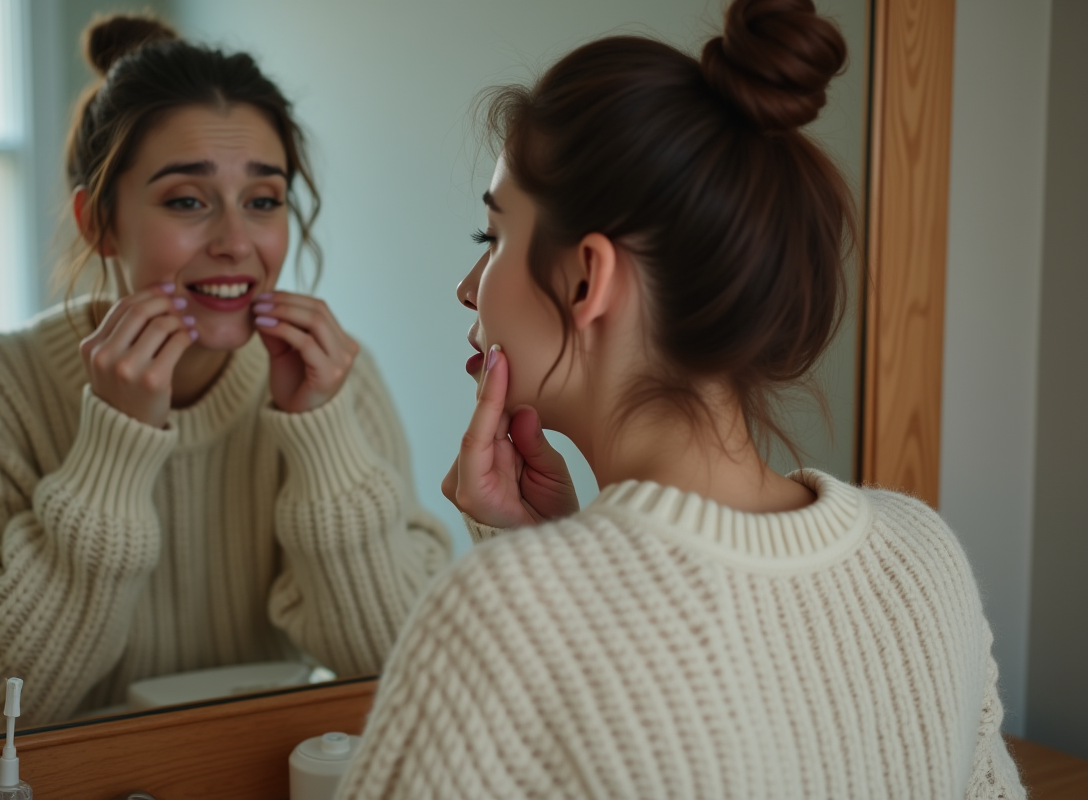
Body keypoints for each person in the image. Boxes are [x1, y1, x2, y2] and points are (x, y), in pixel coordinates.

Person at [336, 1, 1025, 797]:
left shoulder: (497, 619)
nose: (467, 290)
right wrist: (553, 552)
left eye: (490, 241)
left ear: (588, 278)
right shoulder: (924, 559)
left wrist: (539, 577)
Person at [0, 15, 449, 733]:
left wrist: (322, 438)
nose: (234, 243)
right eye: (187, 201)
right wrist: (115, 445)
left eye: (264, 201)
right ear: (99, 221)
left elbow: (404, 669)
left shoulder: (341, 380)